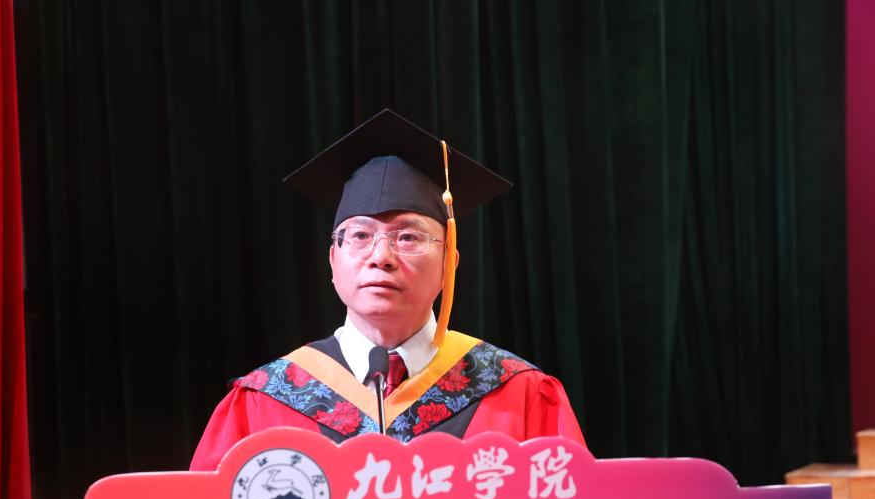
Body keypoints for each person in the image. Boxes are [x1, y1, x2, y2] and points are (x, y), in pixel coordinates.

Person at [190, 109, 584, 471]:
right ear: (333, 260)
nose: (382, 257)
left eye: (408, 237)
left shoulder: (520, 392)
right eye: (360, 235)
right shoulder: (263, 401)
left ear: (449, 262)